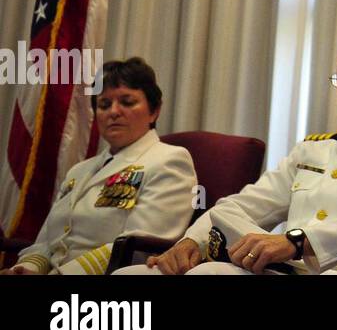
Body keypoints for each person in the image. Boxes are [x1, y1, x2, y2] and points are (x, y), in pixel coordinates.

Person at [117, 33, 337, 275]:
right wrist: (192, 243)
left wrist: (299, 240)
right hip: (286, 269)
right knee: (130, 275)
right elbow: (242, 204)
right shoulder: (315, 149)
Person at [2, 57, 196, 275]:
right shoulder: (79, 170)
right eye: (104, 105)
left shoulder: (170, 160)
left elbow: (138, 247)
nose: (113, 111)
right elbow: (46, 241)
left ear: (154, 111)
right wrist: (27, 269)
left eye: (127, 102)